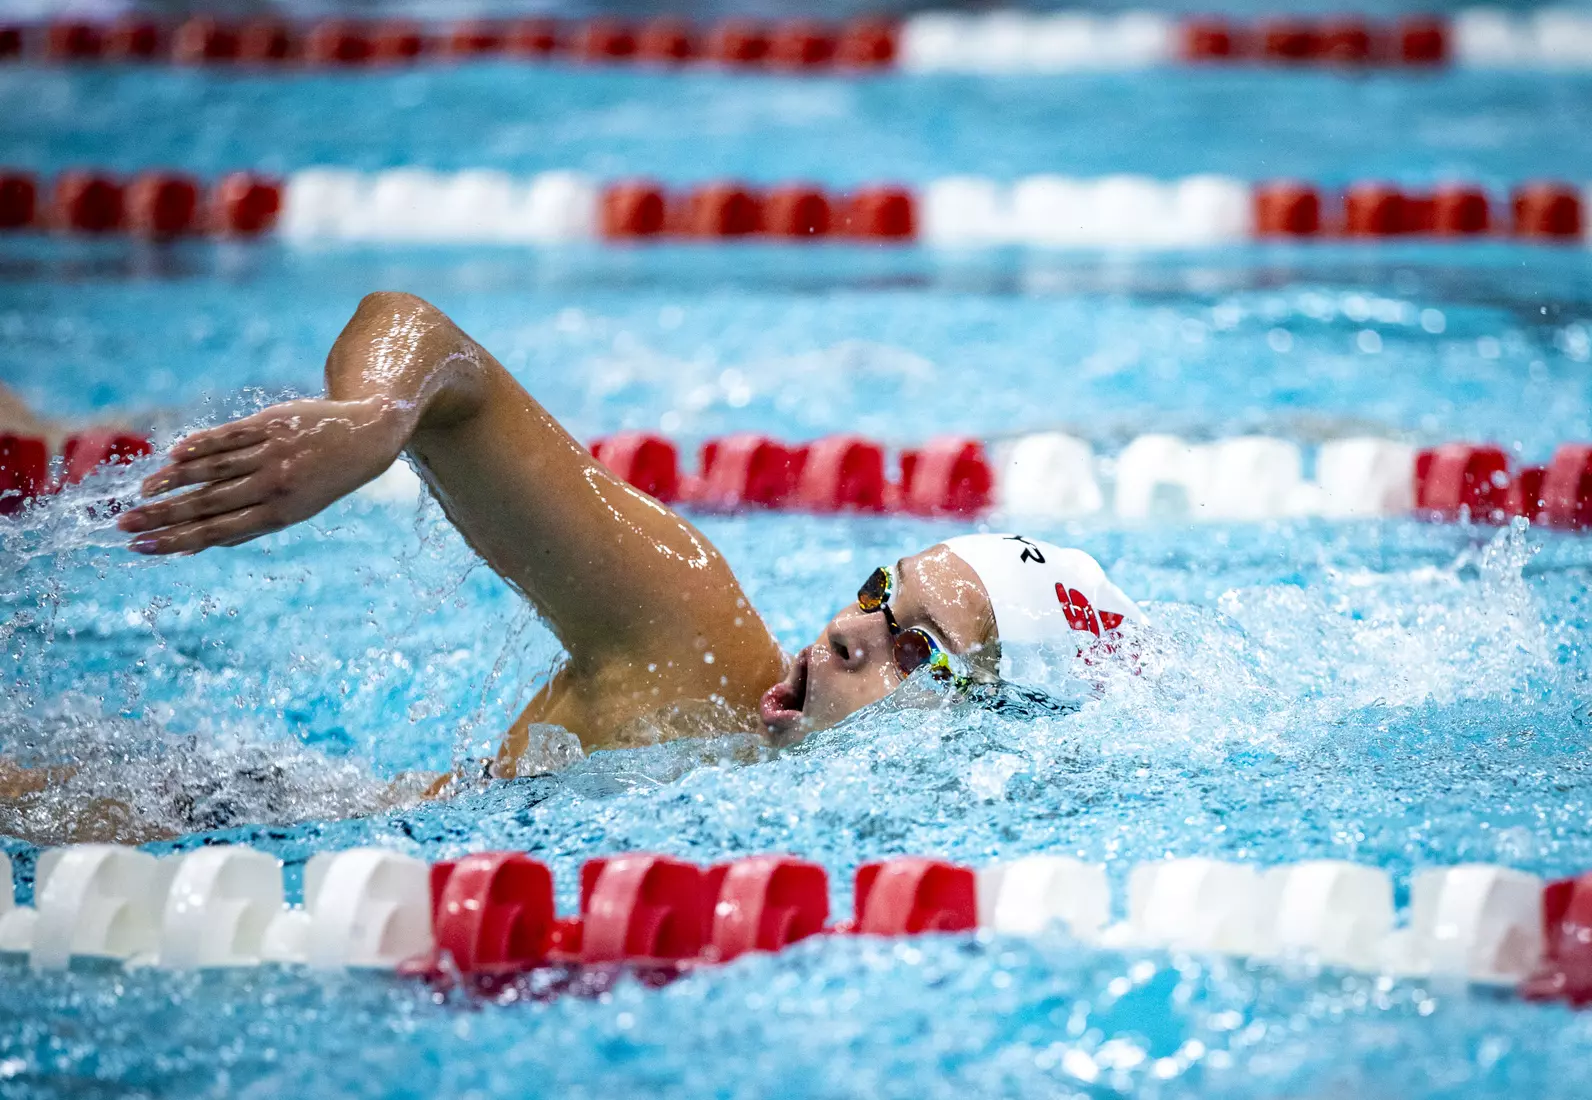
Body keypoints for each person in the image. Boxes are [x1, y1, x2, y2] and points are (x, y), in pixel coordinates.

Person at [114, 292, 1144, 788]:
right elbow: (427, 341)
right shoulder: (688, 647)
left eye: (914, 649)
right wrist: (375, 418)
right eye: (879, 589)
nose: (846, 630)